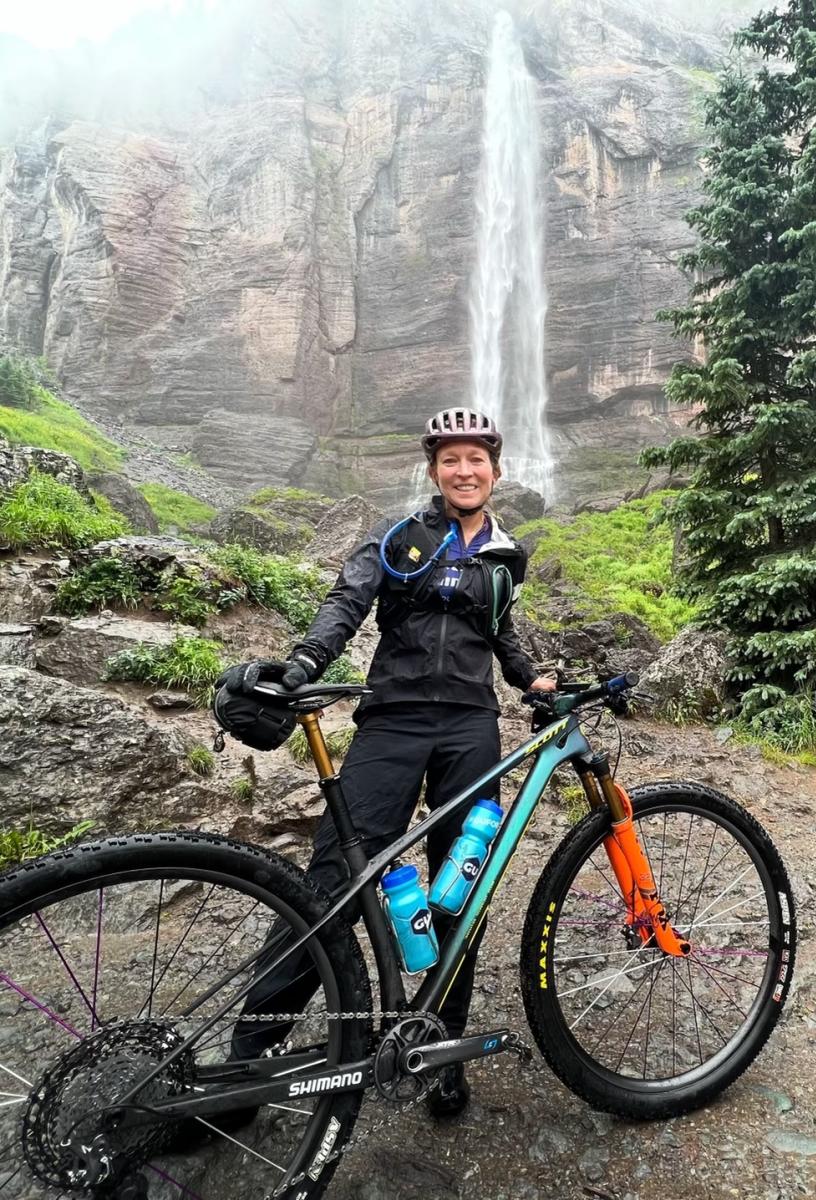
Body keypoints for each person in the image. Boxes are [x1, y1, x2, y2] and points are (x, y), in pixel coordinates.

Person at [218, 407, 555, 1119]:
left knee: (462, 882)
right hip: (392, 721)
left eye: (477, 459)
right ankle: (249, 1057)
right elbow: (348, 599)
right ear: (434, 470)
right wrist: (306, 662)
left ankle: (440, 1046)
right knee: (334, 881)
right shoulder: (399, 536)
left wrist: (531, 679)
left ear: (495, 469)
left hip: (472, 729)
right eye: (451, 459)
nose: (465, 470)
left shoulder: (505, 553)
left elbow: (498, 631)